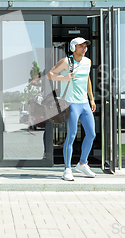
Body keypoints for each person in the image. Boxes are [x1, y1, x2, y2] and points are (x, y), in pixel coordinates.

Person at [47, 37, 96, 181]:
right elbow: (50, 75)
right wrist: (65, 78)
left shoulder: (87, 62)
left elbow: (87, 79)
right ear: (73, 48)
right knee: (71, 136)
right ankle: (67, 169)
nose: (84, 48)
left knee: (91, 134)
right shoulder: (65, 62)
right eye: (81, 46)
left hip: (84, 103)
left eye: (85, 46)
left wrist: (91, 98)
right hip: (71, 103)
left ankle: (82, 163)